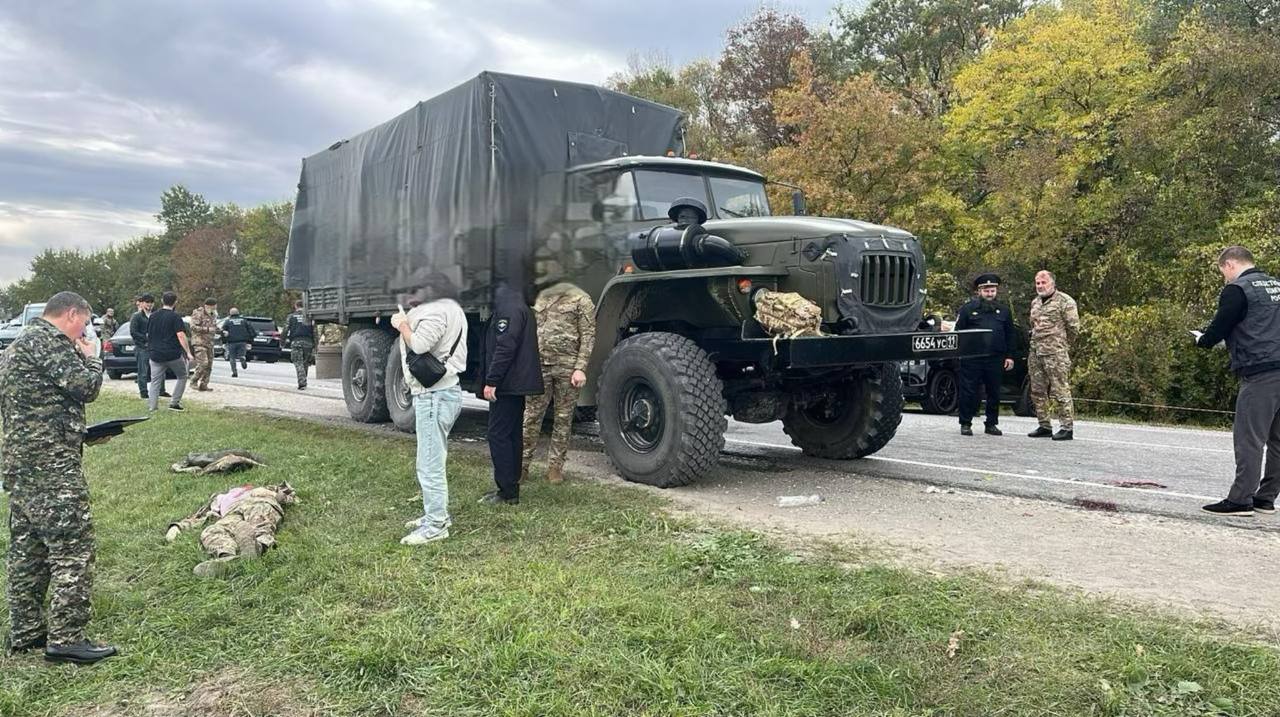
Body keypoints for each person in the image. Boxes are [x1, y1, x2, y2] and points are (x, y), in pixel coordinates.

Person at [0, 291, 117, 664]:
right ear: (71, 314)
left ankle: (27, 632)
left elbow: (33, 409)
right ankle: (67, 638)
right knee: (73, 549)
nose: (84, 332)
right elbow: (86, 388)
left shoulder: (18, 346)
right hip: (51, 469)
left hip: (22, 465)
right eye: (84, 323)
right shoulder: (49, 342)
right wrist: (93, 360)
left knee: (28, 551)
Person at [1194, 246, 1280, 517]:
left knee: (1249, 438)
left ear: (1230, 264)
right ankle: (1266, 498)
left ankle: (1240, 499)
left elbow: (1220, 326)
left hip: (1260, 372)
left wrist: (1203, 340)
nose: (1224, 278)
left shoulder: (1238, 289)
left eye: (1223, 272)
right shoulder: (1276, 285)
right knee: (1278, 440)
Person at [390, 276, 468, 544]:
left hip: (434, 395)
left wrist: (402, 326)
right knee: (433, 459)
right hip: (442, 392)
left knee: (430, 464)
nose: (409, 294)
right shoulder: (451, 307)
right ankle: (434, 515)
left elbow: (421, 345)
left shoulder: (435, 310)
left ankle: (436, 525)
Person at [520, 281, 596, 483]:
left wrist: (580, 367)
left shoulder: (581, 299)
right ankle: (521, 466)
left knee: (562, 419)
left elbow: (588, 335)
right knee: (531, 417)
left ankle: (555, 468)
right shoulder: (540, 297)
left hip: (568, 368)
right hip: (540, 366)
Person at [479, 280, 543, 505]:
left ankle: (506, 491)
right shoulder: (520, 304)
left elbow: (505, 346)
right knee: (512, 434)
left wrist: (492, 380)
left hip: (507, 384)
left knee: (498, 435)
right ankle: (511, 488)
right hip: (516, 383)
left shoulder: (508, 306)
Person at [955, 273, 1015, 436]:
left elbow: (1010, 334)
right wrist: (960, 353)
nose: (990, 294)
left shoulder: (1003, 311)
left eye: (993, 291)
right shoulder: (968, 309)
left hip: (995, 358)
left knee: (994, 392)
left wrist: (1009, 356)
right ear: (979, 291)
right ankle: (965, 423)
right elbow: (959, 332)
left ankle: (991, 423)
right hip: (972, 358)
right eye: (986, 291)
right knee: (969, 391)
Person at [1026, 270, 1079, 441]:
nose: (1040, 286)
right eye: (1038, 283)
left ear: (1052, 283)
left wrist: (1060, 344)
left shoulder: (1065, 301)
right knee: (1037, 390)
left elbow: (1073, 328)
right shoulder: (1035, 303)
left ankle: (1066, 427)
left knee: (1060, 389)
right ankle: (1044, 425)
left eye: (1043, 282)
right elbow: (1033, 326)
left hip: (1055, 353)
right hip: (1036, 352)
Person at [147, 291, 192, 412]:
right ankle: (174, 402)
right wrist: (188, 352)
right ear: (175, 302)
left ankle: (153, 407)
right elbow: (181, 335)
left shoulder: (153, 316)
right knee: (182, 376)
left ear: (162, 301)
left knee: (155, 381)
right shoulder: (175, 317)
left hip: (155, 354)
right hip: (172, 354)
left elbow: (149, 334)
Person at [128, 294, 167, 400]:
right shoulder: (137, 316)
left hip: (155, 347)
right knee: (143, 371)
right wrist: (145, 338)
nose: (149, 305)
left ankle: (161, 390)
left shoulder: (155, 315)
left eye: (151, 302)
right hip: (142, 347)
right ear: (142, 303)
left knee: (160, 370)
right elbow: (133, 332)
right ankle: (144, 392)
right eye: (147, 302)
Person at [189, 298, 219, 391]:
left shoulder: (213, 315)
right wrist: (207, 329)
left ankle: (204, 384)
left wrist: (221, 331)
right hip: (199, 342)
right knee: (203, 363)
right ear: (207, 306)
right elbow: (193, 327)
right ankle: (193, 381)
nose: (214, 308)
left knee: (209, 364)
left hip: (209, 342)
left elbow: (213, 326)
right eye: (213, 307)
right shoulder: (198, 313)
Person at [284, 301, 314, 390]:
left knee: (298, 362)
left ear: (295, 306)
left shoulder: (291, 317)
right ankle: (304, 380)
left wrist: (282, 342)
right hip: (308, 342)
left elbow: (285, 330)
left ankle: (302, 382)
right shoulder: (310, 317)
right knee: (305, 362)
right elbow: (315, 331)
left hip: (296, 341)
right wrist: (315, 344)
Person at [221, 308, 257, 378]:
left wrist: (224, 341)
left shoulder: (227, 321)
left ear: (230, 314)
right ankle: (242, 358)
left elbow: (223, 332)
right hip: (242, 342)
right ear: (238, 313)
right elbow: (251, 331)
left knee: (232, 358)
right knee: (242, 354)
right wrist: (250, 340)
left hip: (231, 342)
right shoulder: (244, 321)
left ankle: (234, 372)